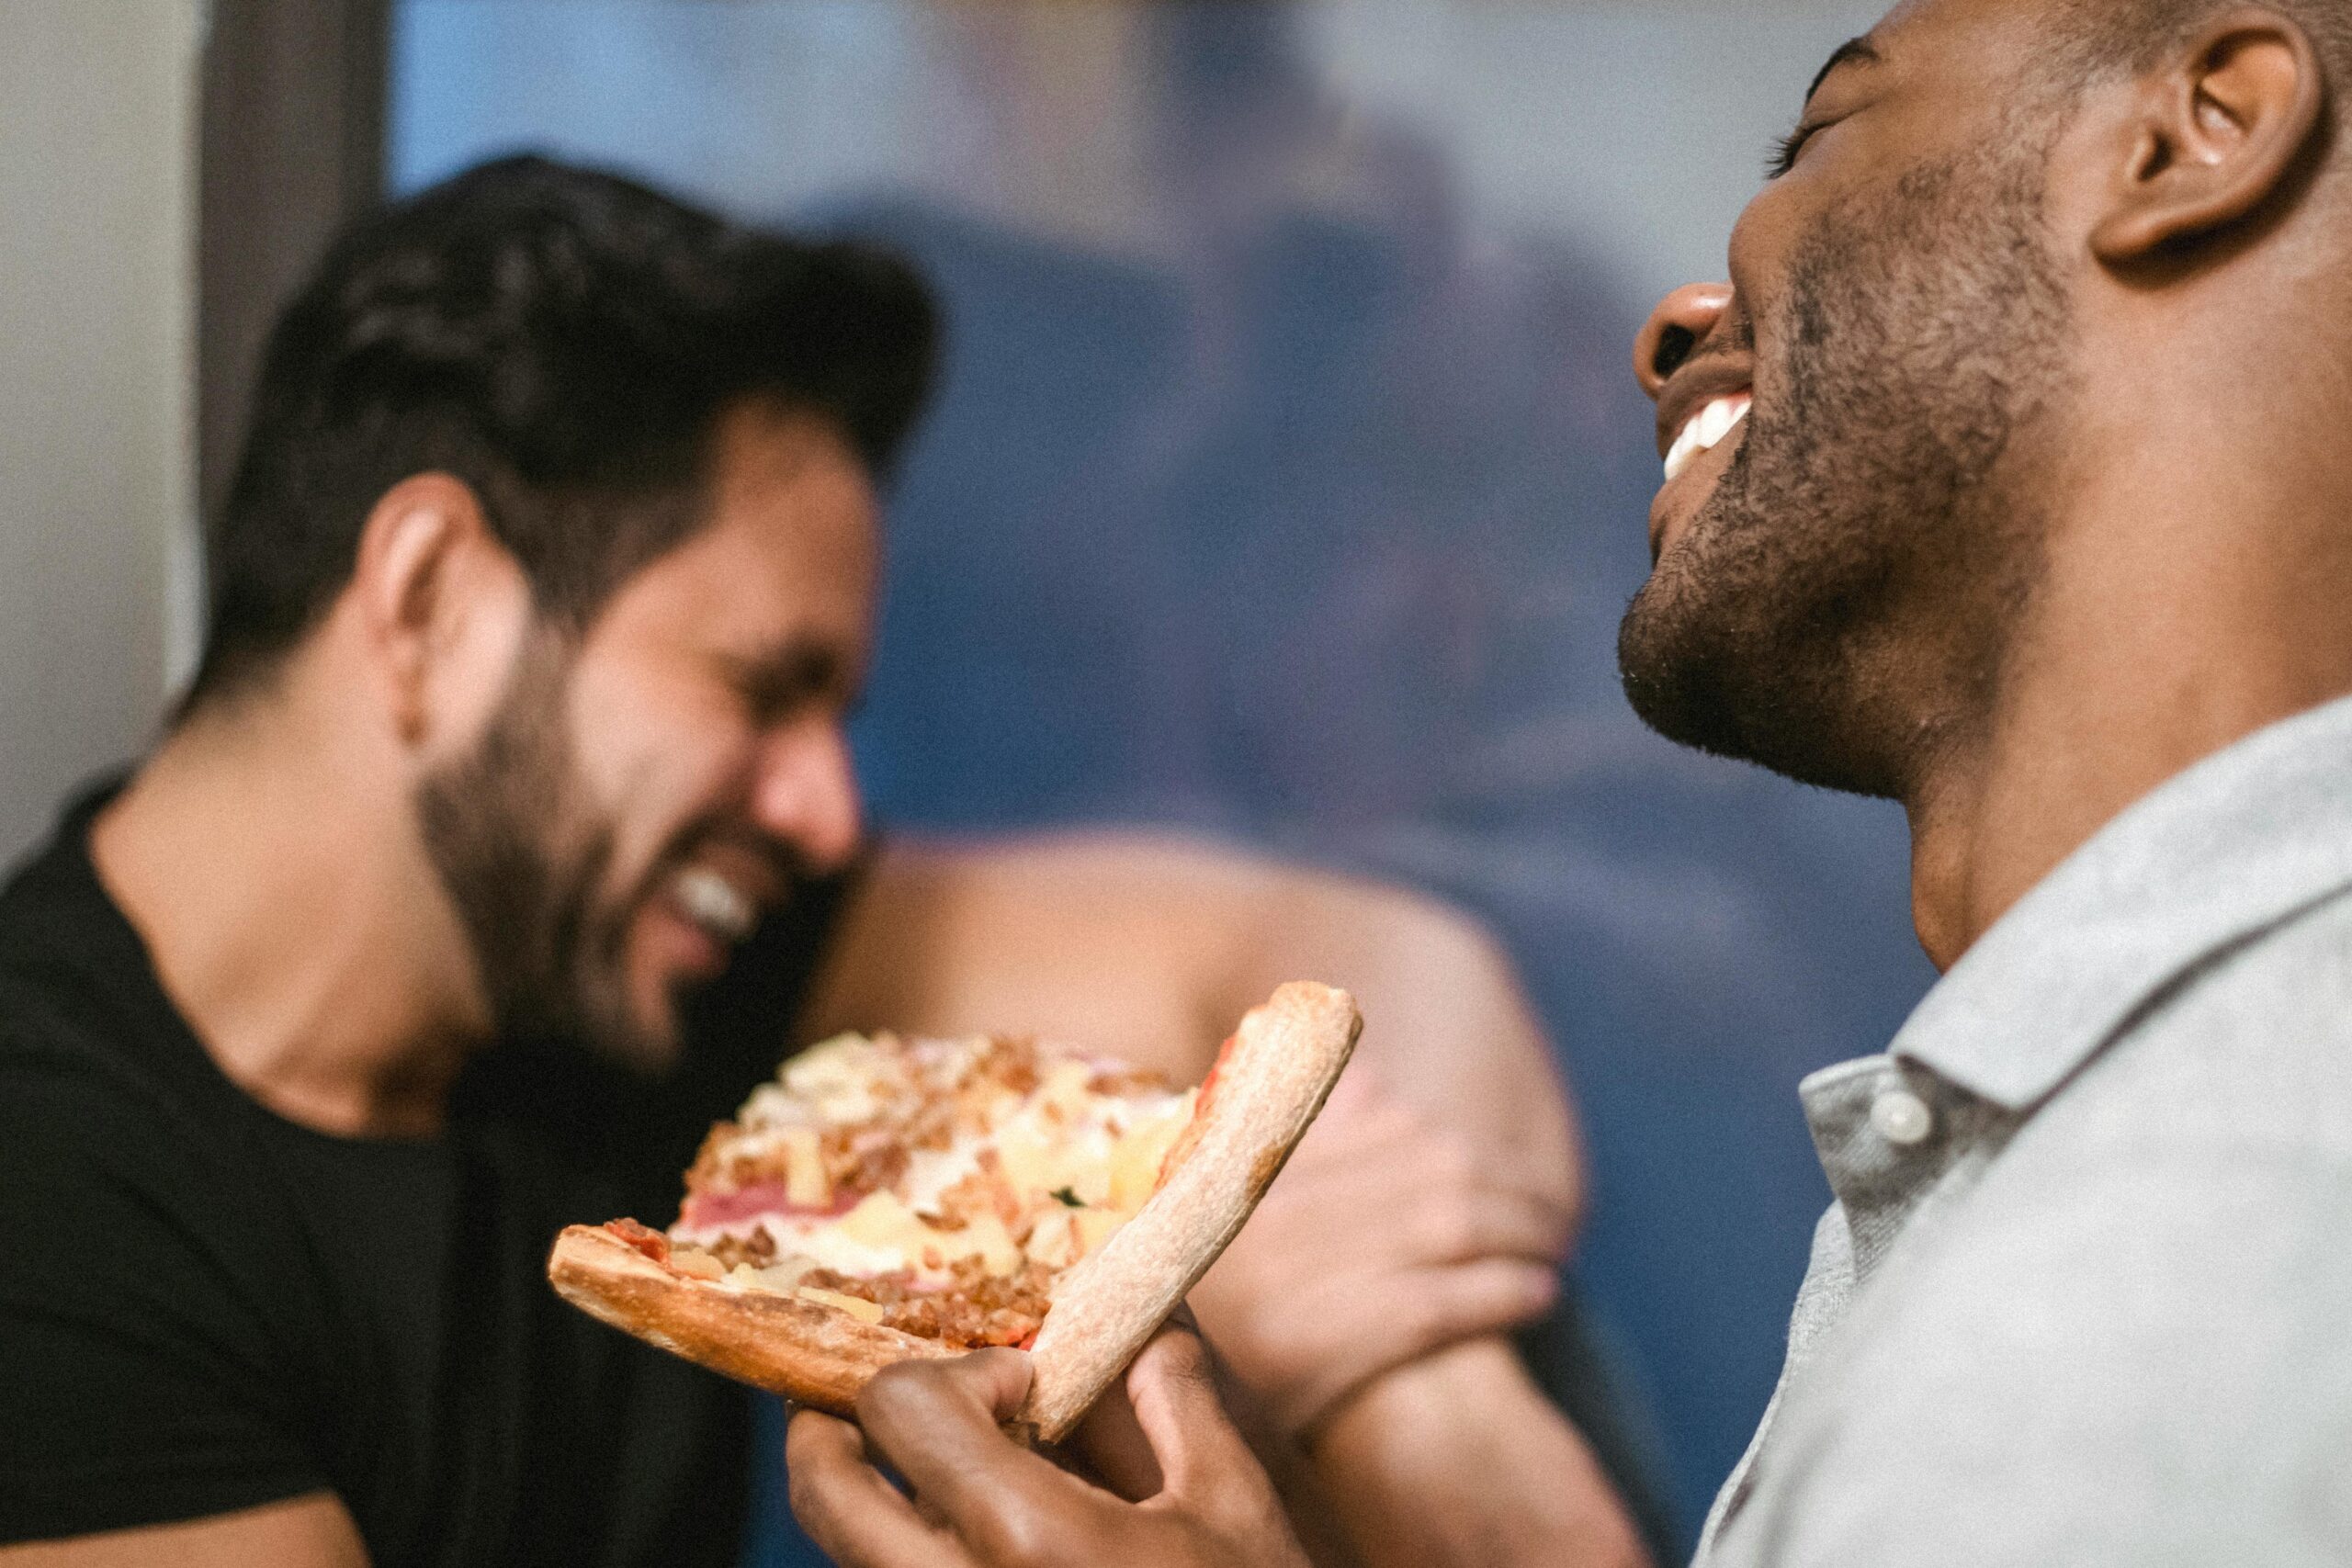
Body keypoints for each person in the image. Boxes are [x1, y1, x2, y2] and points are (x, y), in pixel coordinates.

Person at [783, 0, 2352, 1562]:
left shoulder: (2226, 1208)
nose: (1668, 328)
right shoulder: (2071, 1161)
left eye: (1821, 136)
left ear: (2200, 131)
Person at [0, 156, 1653, 1567]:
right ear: (430, 595)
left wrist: (1356, 1361)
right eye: (760, 688)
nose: (824, 811)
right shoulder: (54, 1190)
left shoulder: (652, 965)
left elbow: (1380, 967)